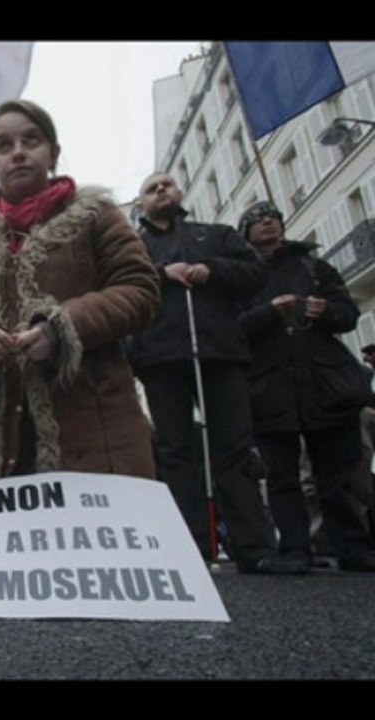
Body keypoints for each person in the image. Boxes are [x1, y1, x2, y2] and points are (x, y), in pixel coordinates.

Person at [0, 99, 159, 485]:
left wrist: (61, 328)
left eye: (31, 141)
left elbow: (139, 289)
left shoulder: (96, 215)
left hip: (96, 433)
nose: (18, 153)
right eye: (4, 145)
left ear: (53, 153)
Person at [127, 174, 302, 574]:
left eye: (167, 184)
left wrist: (212, 269)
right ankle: (189, 547)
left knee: (234, 449)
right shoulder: (131, 248)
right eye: (152, 188)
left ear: (180, 193)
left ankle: (255, 546)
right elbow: (116, 286)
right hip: (159, 358)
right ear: (140, 203)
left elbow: (255, 273)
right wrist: (160, 274)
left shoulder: (217, 234)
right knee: (175, 453)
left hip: (220, 351)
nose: (161, 191)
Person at [237, 201, 375, 571]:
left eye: (273, 218)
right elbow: (233, 329)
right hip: (269, 386)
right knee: (282, 476)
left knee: (339, 472)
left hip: (323, 382)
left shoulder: (313, 267)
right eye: (257, 220)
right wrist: (270, 313)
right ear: (245, 231)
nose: (268, 223)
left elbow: (347, 314)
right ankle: (296, 548)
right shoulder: (240, 276)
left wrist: (324, 311)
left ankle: (353, 545)